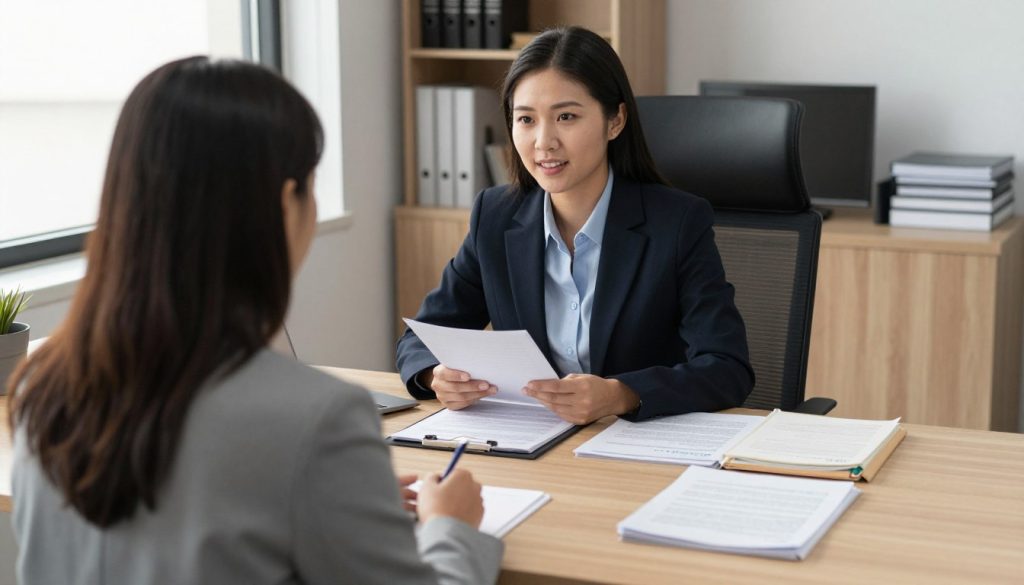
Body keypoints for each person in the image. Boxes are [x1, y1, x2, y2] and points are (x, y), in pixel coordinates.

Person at [9, 57, 502, 585]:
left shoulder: (42, 386)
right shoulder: (318, 417)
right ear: (285, 204)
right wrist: (450, 526)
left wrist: (345, 499)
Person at [397, 27, 754, 425]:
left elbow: (727, 367)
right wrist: (435, 376)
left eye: (566, 117)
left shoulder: (677, 223)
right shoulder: (495, 217)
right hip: (535, 444)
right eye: (526, 119)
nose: (543, 142)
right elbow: (421, 338)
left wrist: (622, 394)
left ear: (615, 120)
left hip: (635, 446)